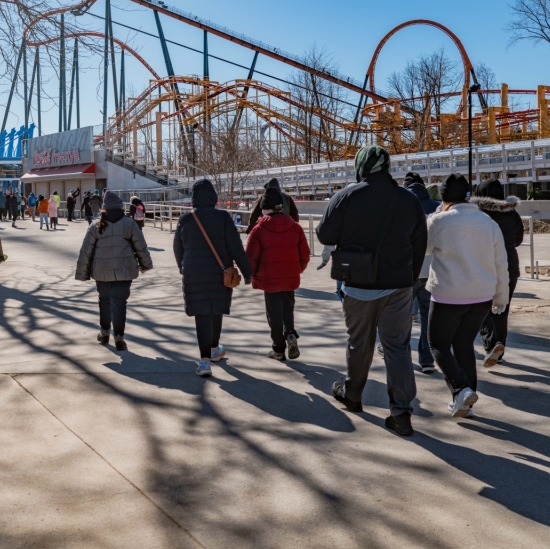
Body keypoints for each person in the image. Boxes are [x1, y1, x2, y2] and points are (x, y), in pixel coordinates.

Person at [316, 145, 427, 437]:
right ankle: (401, 413)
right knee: (397, 347)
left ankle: (352, 395)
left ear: (361, 166)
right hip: (399, 286)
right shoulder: (409, 199)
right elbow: (419, 244)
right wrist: (409, 279)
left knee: (358, 342)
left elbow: (325, 234)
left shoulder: (346, 196)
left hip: (358, 284)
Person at [426, 174, 510, 418]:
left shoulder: (439, 221)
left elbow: (423, 248)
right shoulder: (488, 222)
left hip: (448, 294)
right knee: (463, 345)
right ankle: (465, 402)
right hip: (482, 296)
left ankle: (461, 389)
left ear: (444, 197)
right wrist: (500, 298)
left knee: (438, 344)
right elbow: (500, 263)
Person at [174, 179, 253, 377]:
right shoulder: (223, 217)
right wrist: (247, 272)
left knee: (202, 313)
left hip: (194, 272)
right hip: (221, 272)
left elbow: (178, 248)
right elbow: (235, 247)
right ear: (213, 197)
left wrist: (183, 268)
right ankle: (215, 348)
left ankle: (204, 361)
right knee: (216, 307)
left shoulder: (185, 219)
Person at [75, 191, 153, 351]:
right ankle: (119, 337)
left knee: (104, 301)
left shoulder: (96, 225)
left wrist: (83, 272)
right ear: (120, 207)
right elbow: (141, 246)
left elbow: (86, 251)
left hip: (101, 271)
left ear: (104, 208)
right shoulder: (129, 224)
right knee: (120, 303)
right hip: (125, 271)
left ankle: (104, 333)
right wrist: (145, 264)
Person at [246, 187, 310, 361]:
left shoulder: (259, 229)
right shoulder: (295, 227)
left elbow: (250, 257)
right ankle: (290, 333)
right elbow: (305, 254)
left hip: (269, 279)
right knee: (288, 309)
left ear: (265, 208)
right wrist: (297, 270)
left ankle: (278, 349)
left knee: (274, 315)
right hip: (290, 277)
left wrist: (249, 274)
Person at [472, 177, 523, 367]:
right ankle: (498, 350)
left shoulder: (478, 214)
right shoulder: (512, 214)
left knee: (480, 305)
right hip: (510, 263)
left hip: (485, 263)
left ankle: (492, 343)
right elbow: (518, 240)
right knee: (502, 307)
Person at [404, 172, 440, 374]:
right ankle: (427, 360)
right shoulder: (437, 207)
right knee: (427, 317)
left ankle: (401, 355)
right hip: (431, 271)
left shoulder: (401, 205)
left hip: (407, 270)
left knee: (402, 316)